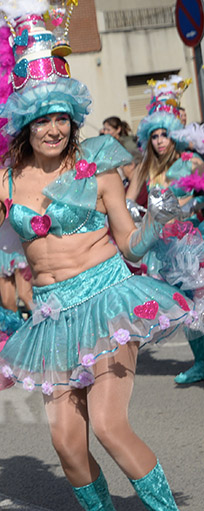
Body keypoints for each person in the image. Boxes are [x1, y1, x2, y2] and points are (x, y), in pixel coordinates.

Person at [0, 6, 200, 511]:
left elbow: (132, 243)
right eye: (41, 119)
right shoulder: (4, 182)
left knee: (108, 424)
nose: (53, 128)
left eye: (61, 117)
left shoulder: (100, 164)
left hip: (108, 302)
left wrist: (163, 218)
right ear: (22, 123)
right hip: (51, 319)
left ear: (72, 118)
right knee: (64, 440)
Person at [125, 77, 204, 385]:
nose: (159, 140)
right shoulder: (145, 167)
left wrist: (192, 201)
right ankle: (200, 363)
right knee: (187, 310)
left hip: (194, 242)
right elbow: (129, 199)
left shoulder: (190, 161)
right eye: (154, 135)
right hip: (165, 248)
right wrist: (132, 212)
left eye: (165, 134)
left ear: (174, 136)